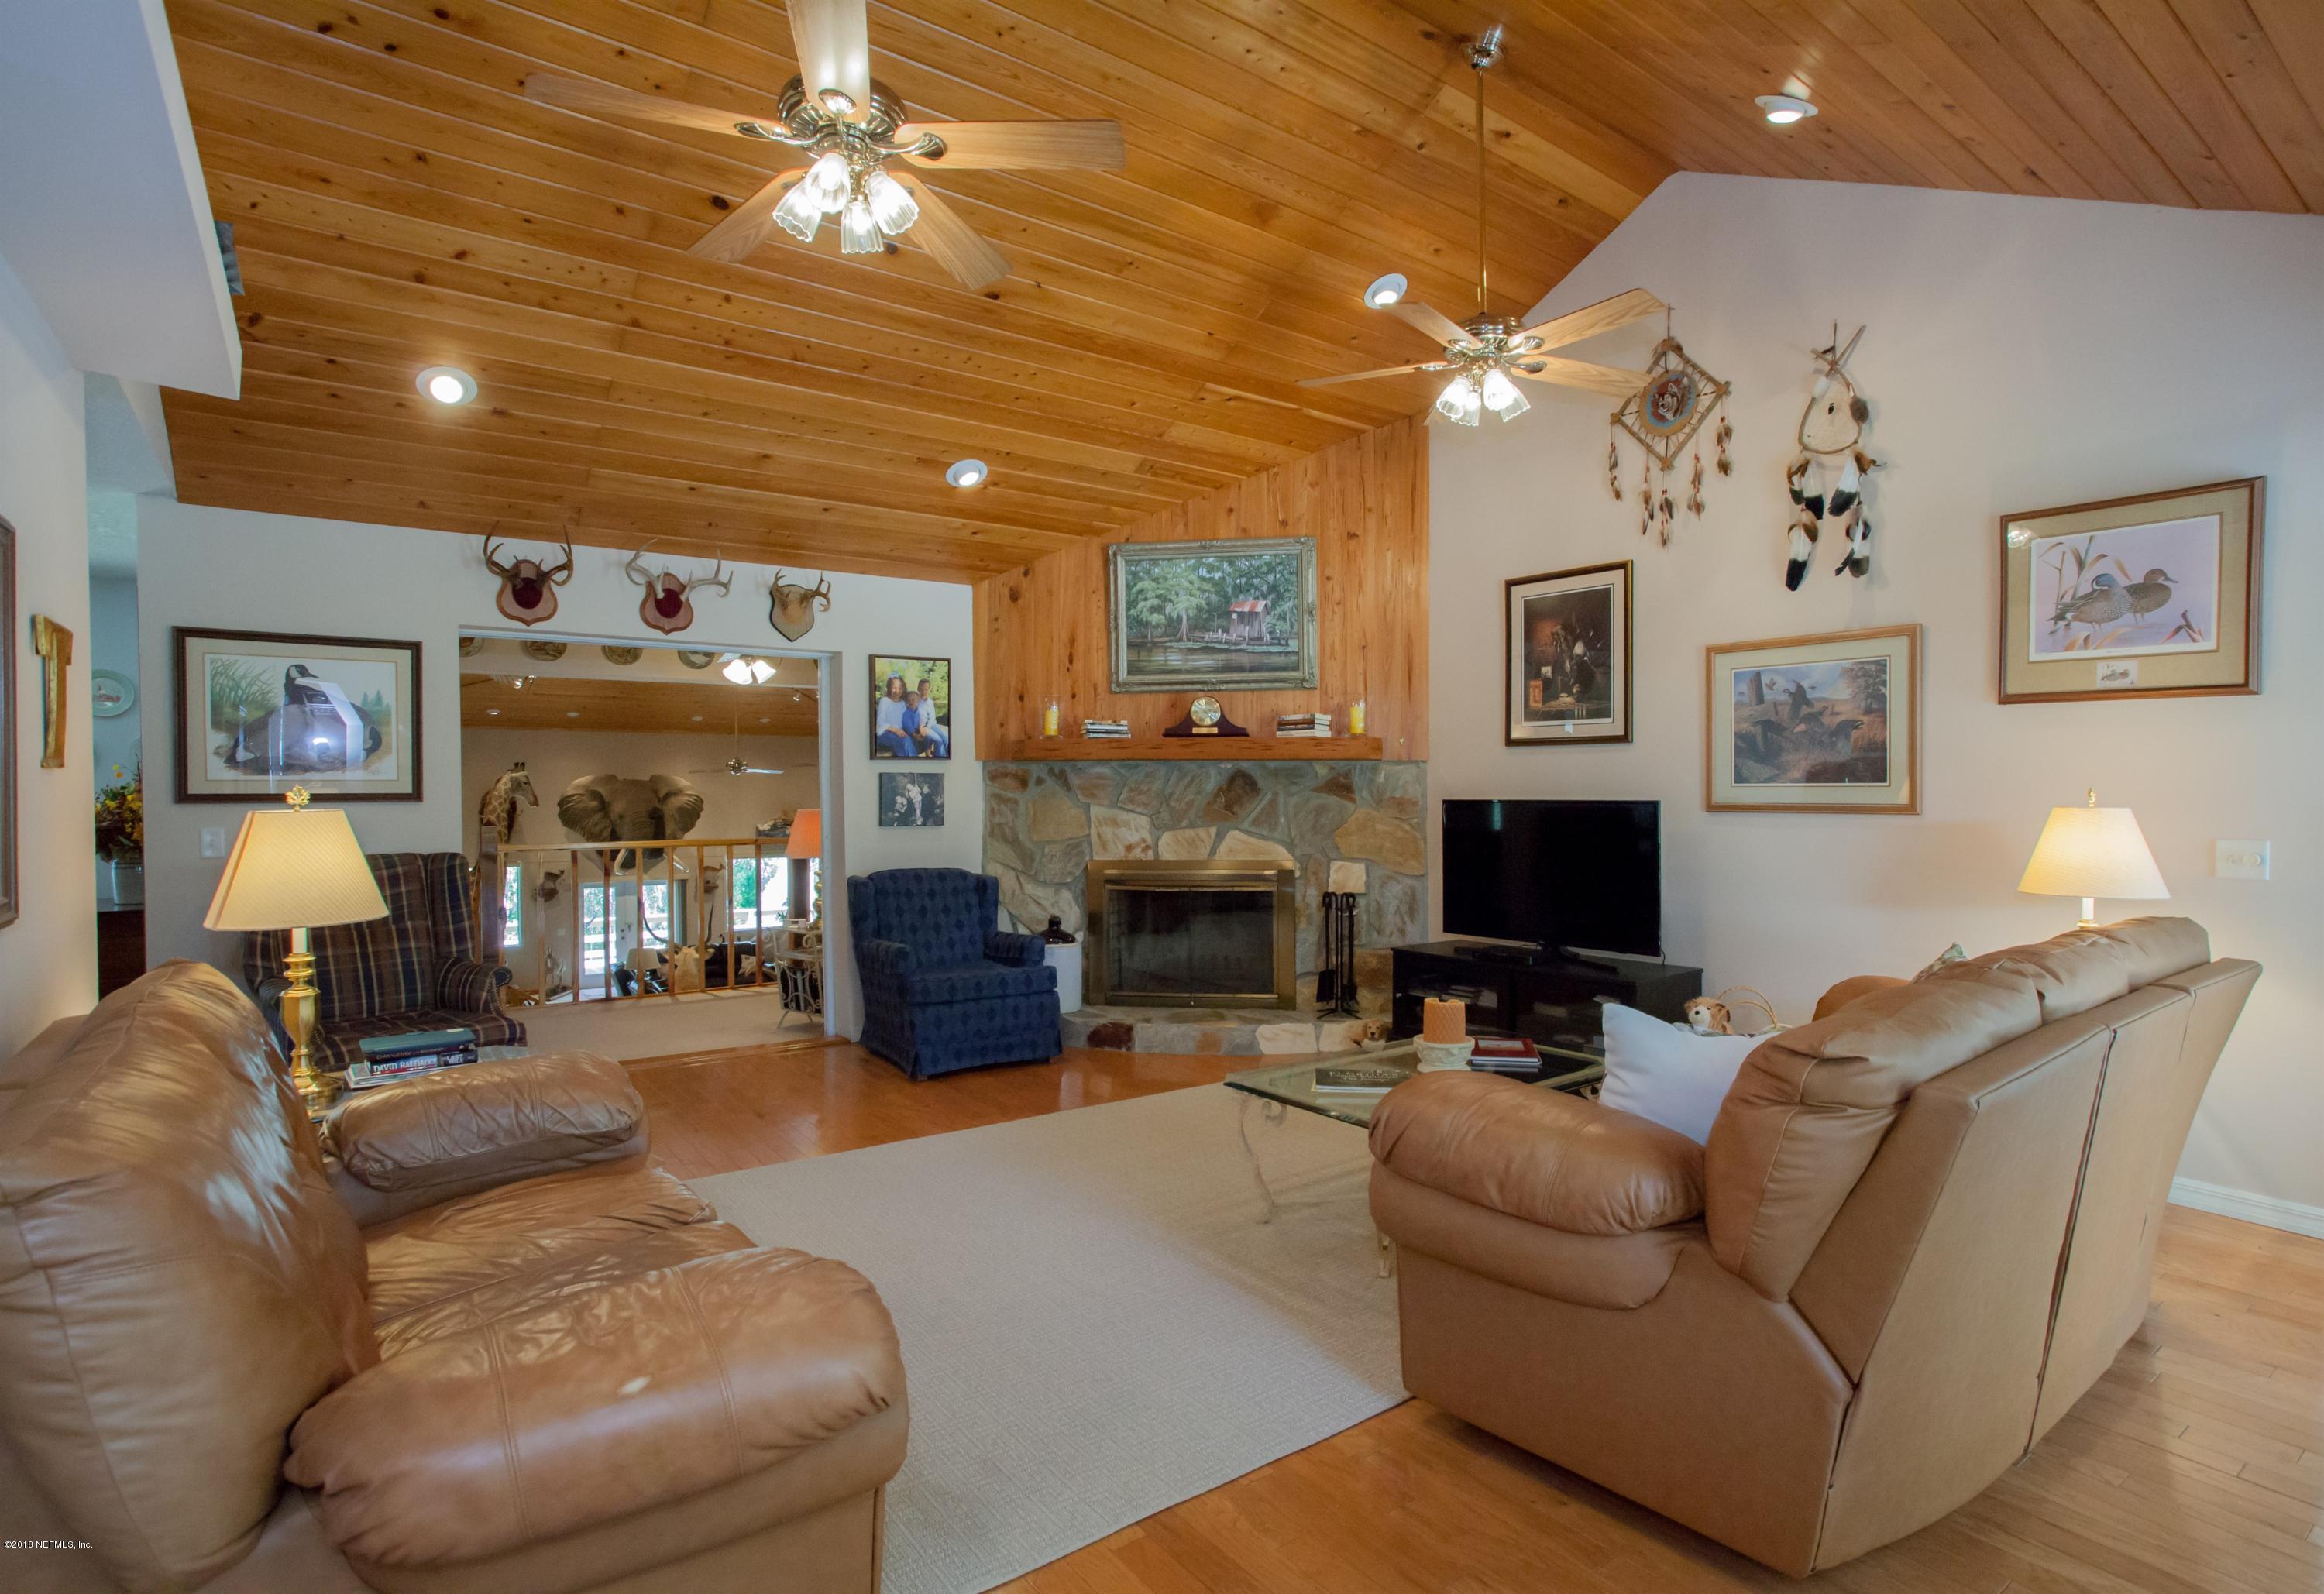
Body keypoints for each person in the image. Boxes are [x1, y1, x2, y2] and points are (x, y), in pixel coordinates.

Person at [874, 674, 916, 757]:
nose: (897, 691)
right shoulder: (885, 701)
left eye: (900, 688)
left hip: (899, 735)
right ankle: (916, 764)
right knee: (905, 740)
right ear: (889, 688)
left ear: (903, 689)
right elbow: (880, 722)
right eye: (894, 688)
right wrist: (896, 730)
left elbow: (907, 721)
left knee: (903, 746)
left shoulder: (903, 703)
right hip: (885, 734)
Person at [909, 676, 950, 757]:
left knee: (945, 738)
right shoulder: (914, 701)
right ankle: (940, 759)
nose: (923, 691)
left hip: (932, 725)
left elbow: (932, 718)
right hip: (922, 727)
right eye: (921, 689)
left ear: (929, 690)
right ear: (918, 688)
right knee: (939, 741)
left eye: (926, 689)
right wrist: (926, 728)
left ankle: (943, 756)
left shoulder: (930, 702)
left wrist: (930, 727)